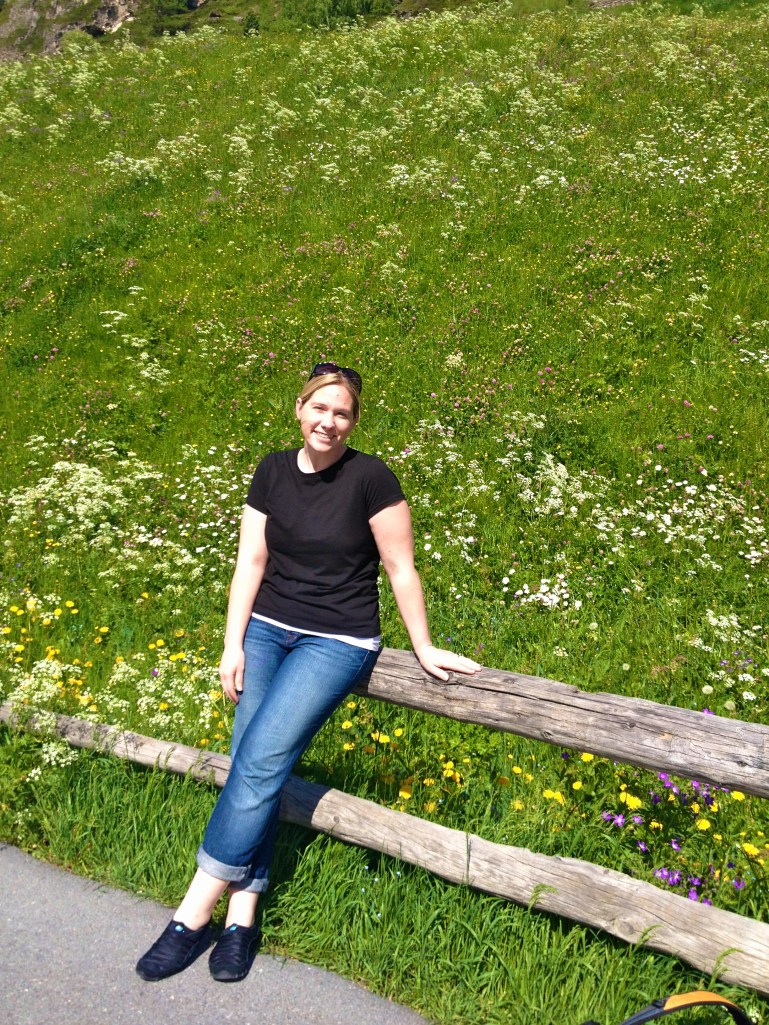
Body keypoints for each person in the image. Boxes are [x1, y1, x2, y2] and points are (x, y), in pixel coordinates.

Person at [136, 362, 482, 983]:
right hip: (267, 630)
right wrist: (232, 644)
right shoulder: (270, 470)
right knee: (250, 757)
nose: (329, 421)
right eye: (319, 408)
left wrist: (424, 647)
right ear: (299, 409)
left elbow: (400, 567)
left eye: (342, 413)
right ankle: (243, 916)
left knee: (262, 759)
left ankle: (191, 916)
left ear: (353, 422)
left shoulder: (370, 477)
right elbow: (251, 560)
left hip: (338, 638)